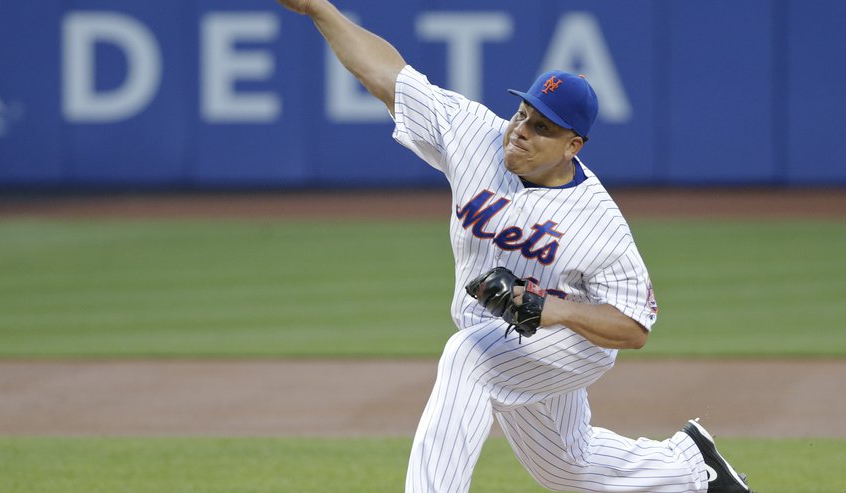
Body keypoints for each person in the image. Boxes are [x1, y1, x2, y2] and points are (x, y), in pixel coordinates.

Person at [275, 1, 755, 492]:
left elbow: (633, 328)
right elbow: (386, 75)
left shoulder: (597, 222)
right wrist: (319, 8)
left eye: (542, 128)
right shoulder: (475, 136)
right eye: (522, 114)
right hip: (500, 332)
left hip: (574, 343)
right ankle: (693, 469)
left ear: (573, 146)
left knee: (469, 358)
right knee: (566, 467)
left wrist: (553, 309)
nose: (521, 132)